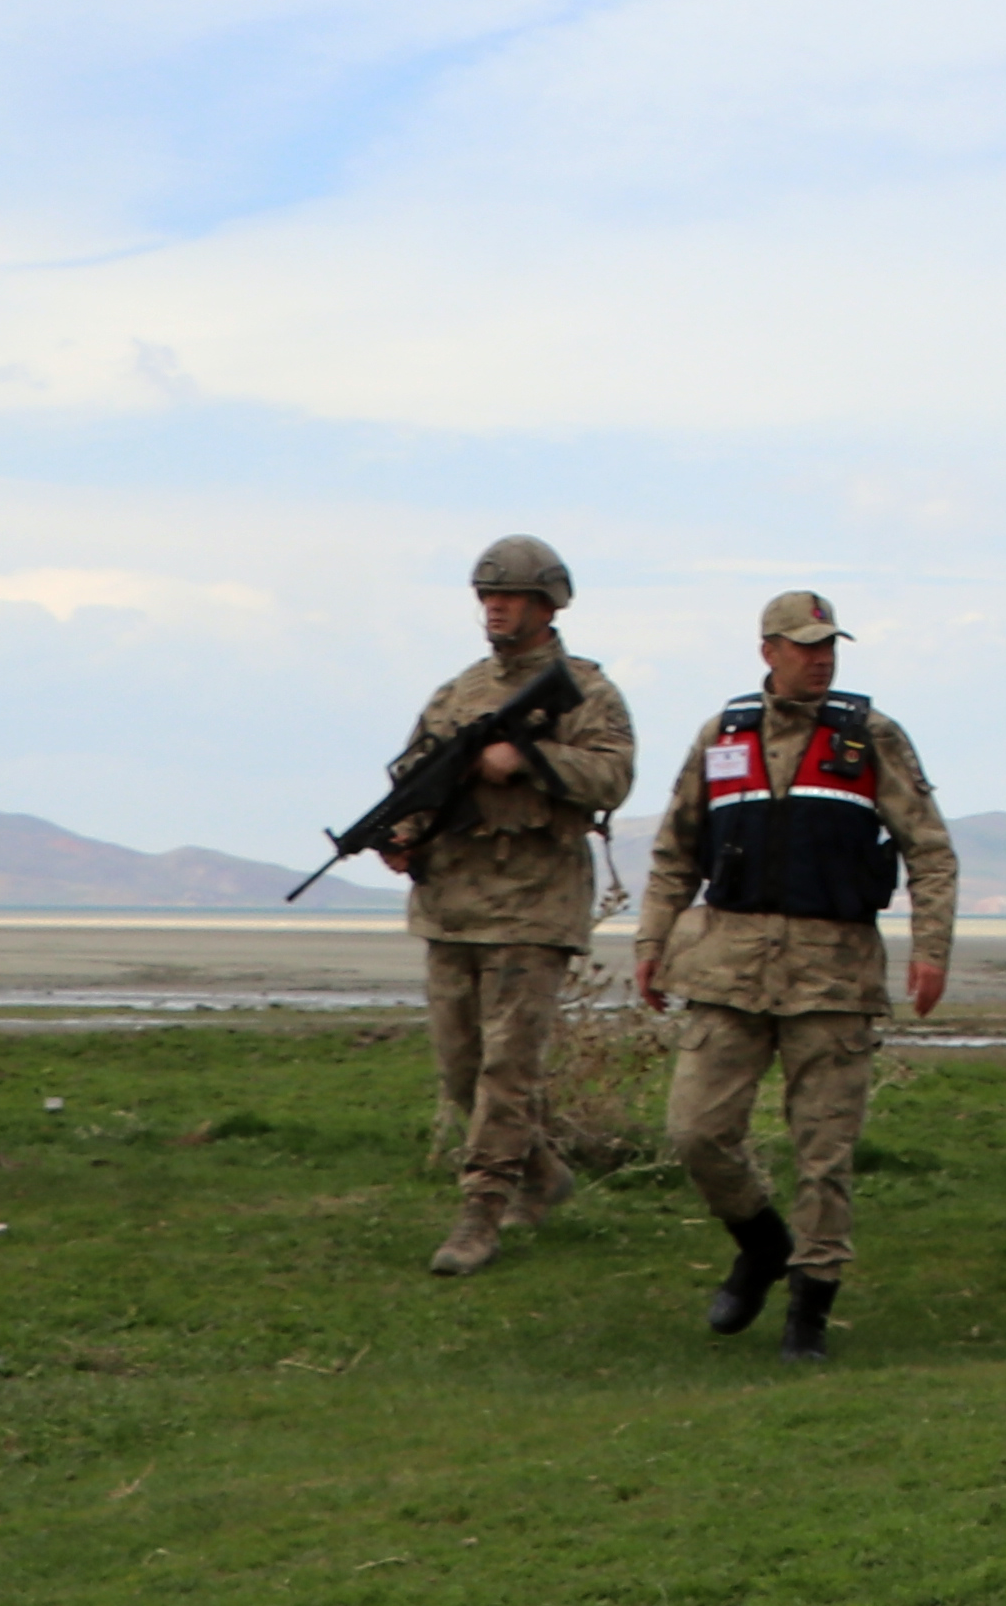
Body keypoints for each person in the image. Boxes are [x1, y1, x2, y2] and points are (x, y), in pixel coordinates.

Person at [627, 590, 960, 1361]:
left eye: (829, 645)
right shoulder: (723, 735)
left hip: (832, 974)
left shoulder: (871, 738)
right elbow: (677, 849)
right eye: (805, 645)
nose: (821, 657)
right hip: (726, 967)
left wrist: (931, 948)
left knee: (824, 1152)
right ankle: (762, 1243)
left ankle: (809, 1311)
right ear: (768, 651)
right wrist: (653, 943)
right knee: (696, 1131)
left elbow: (930, 852)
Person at [396, 535, 640, 1277]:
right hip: (453, 905)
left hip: (533, 908)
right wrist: (401, 833)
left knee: (508, 1070)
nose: (494, 608)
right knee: (462, 1070)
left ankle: (481, 1212)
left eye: (509, 596)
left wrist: (527, 759)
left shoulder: (585, 691)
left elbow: (612, 777)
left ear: (547, 604)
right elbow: (413, 773)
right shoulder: (458, 692)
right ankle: (540, 1171)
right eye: (486, 597)